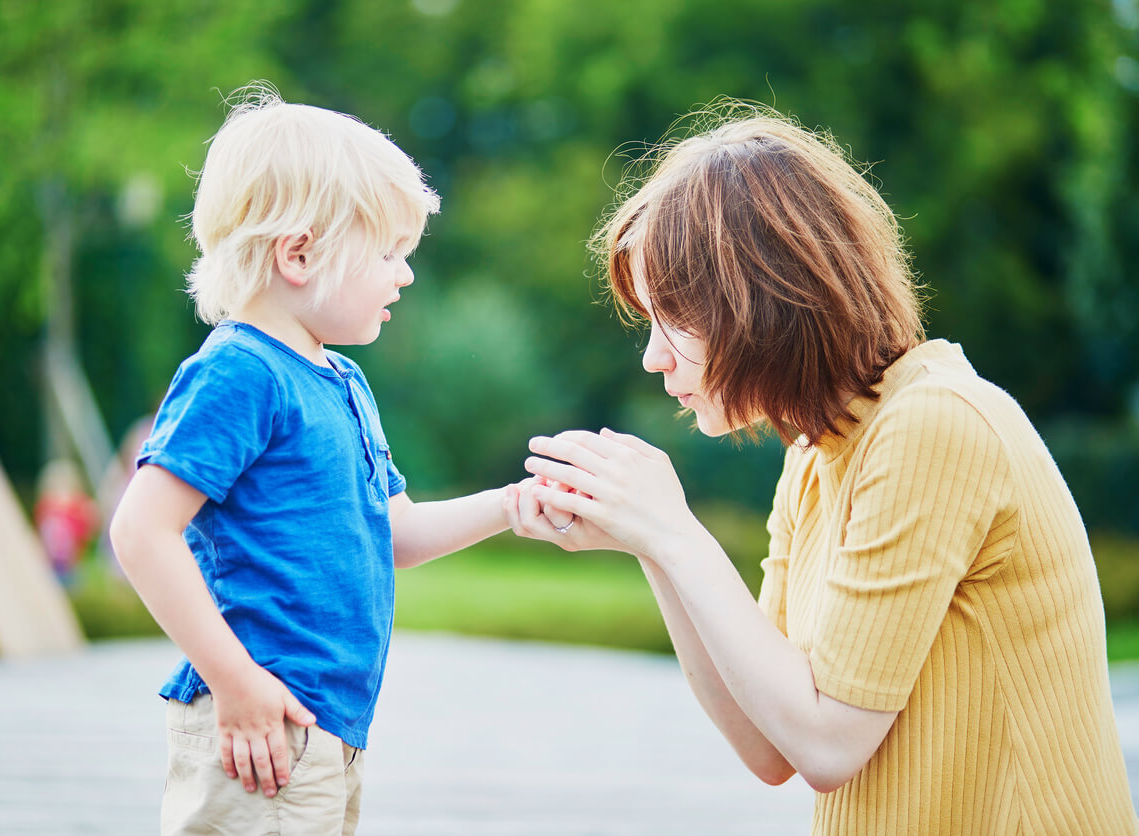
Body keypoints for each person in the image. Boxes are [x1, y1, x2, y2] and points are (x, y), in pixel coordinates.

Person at [504, 106, 1139, 834]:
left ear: (760, 297)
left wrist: (677, 533)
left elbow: (826, 744)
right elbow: (770, 741)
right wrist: (651, 542)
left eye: (672, 319)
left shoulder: (934, 424)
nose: (653, 357)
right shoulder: (817, 453)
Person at [110, 83, 515, 836]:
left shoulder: (342, 381)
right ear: (298, 253)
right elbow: (141, 532)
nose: (406, 274)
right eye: (390, 253)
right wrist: (236, 684)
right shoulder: (240, 371)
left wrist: (513, 505)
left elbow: (395, 536)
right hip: (261, 727)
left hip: (327, 730)